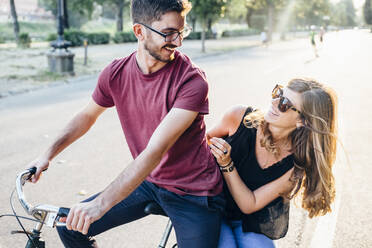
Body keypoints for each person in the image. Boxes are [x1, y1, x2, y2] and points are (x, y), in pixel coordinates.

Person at [27, 0, 224, 247]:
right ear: (139, 31)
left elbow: (155, 150)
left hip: (194, 192)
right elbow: (87, 115)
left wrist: (100, 205)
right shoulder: (116, 73)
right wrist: (47, 154)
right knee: (70, 227)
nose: (177, 42)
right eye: (168, 33)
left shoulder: (192, 82)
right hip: (151, 182)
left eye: (181, 32)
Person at [207, 78, 338, 247]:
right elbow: (201, 144)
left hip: (248, 221)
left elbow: (250, 204)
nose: (274, 101)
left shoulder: (296, 166)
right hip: (211, 207)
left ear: (302, 121)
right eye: (279, 93)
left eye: (284, 103)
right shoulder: (238, 117)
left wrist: (226, 164)